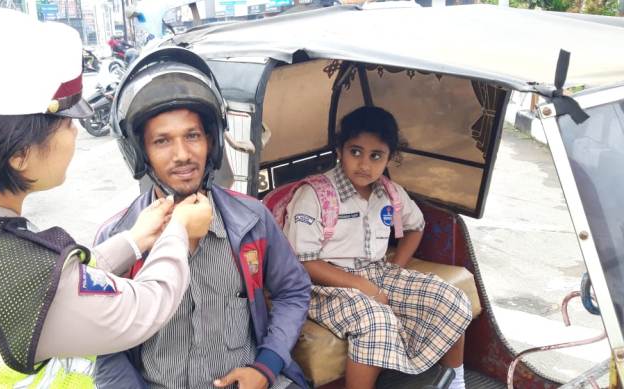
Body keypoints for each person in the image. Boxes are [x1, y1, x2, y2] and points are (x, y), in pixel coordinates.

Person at [0, 9, 212, 388]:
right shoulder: (26, 280)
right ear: (19, 153)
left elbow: (55, 289)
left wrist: (134, 242)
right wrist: (178, 234)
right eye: (67, 123)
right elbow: (143, 307)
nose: (74, 135)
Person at [93, 47, 312, 389]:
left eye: (192, 135)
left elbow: (293, 291)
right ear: (141, 152)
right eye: (162, 141)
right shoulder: (118, 239)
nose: (182, 155)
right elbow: (104, 345)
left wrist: (266, 366)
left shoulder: (252, 219)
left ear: (211, 141)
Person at [282, 106, 473, 389]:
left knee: (450, 299)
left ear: (389, 158)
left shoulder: (390, 193)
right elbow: (304, 262)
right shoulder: (315, 194)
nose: (364, 165)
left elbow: (415, 227)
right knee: (375, 319)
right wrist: (361, 286)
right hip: (320, 284)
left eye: (376, 156)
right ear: (340, 150)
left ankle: (454, 383)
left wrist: (395, 269)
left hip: (377, 271)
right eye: (355, 152)